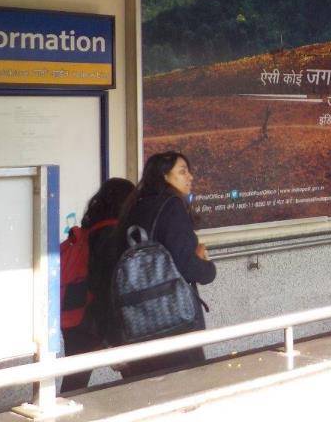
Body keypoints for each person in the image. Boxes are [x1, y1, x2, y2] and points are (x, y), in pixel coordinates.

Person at [114, 151, 216, 378]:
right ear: (164, 176)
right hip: (173, 321)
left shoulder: (133, 207)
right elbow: (188, 266)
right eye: (182, 171)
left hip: (137, 322)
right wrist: (206, 265)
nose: (190, 177)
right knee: (186, 390)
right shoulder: (172, 207)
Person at [60, 177, 135, 393]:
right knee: (136, 377)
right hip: (95, 319)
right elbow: (106, 290)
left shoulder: (89, 231)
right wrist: (113, 340)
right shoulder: (113, 236)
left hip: (75, 316)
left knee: (75, 381)